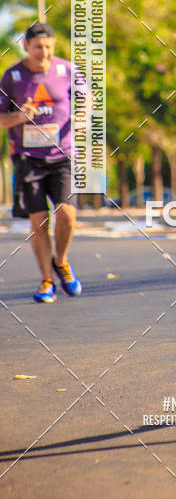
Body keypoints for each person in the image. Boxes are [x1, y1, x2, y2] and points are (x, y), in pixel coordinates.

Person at [0, 22, 82, 303]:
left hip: (63, 156)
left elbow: (87, 98)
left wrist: (83, 111)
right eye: (37, 47)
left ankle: (62, 261)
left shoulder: (68, 70)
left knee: (67, 214)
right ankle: (47, 279)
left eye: (48, 46)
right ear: (25, 46)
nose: (43, 52)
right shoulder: (12, 77)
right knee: (38, 221)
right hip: (28, 159)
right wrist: (20, 117)